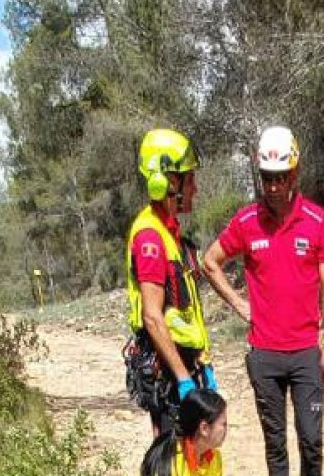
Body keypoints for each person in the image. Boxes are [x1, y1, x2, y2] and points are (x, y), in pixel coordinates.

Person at [202, 125, 324, 476]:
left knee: (312, 441)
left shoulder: (317, 220)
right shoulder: (246, 221)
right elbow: (210, 261)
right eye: (267, 178)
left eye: (280, 178)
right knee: (274, 445)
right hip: (264, 354)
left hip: (307, 351)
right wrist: (239, 304)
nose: (274, 187)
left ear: (294, 174)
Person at [125, 128, 214, 436]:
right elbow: (153, 316)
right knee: (170, 458)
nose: (195, 189)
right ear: (170, 182)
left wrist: (203, 362)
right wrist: (182, 379)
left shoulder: (171, 233)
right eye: (190, 179)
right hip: (169, 370)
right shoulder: (150, 237)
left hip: (185, 362)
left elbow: (186, 310)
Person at [140, 388, 228, 476]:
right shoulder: (171, 466)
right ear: (204, 428)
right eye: (223, 424)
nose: (226, 429)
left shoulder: (214, 457)